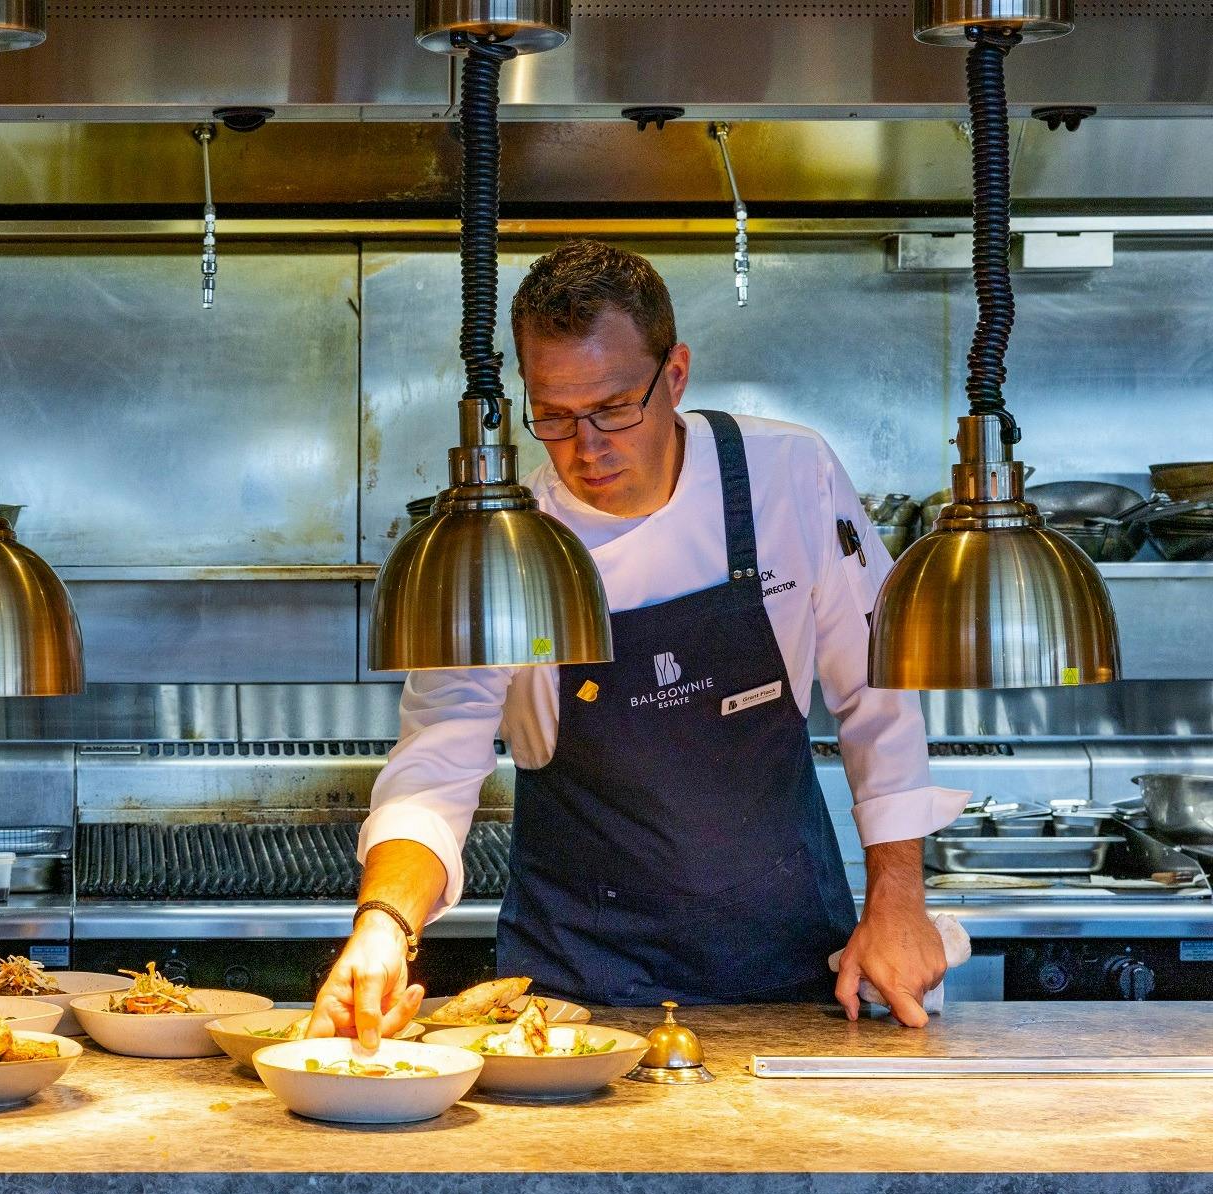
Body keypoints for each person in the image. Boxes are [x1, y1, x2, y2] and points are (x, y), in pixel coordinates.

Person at [311, 239, 968, 1043]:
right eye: (552, 416)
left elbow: (877, 695)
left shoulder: (788, 475)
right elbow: (438, 758)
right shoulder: (500, 544)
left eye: (615, 407)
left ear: (677, 374)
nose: (586, 448)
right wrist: (384, 923)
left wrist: (899, 901)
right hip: (574, 991)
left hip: (790, 970)